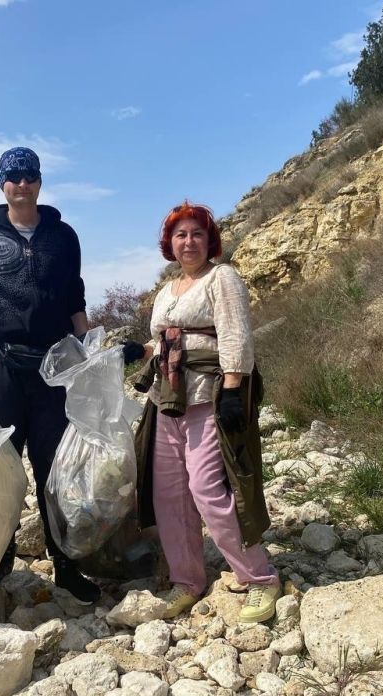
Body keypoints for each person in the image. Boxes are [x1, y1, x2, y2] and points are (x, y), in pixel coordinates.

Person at [0, 146, 101, 605]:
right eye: (13, 177)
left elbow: (75, 294)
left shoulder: (63, 235)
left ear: (39, 182)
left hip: (54, 365)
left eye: (29, 175)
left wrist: (86, 344)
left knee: (55, 467)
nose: (21, 184)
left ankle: (65, 565)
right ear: (2, 184)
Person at [124, 202, 280, 623]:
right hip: (167, 397)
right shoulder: (166, 291)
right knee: (168, 492)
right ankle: (187, 579)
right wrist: (140, 350)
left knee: (209, 488)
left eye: (196, 234)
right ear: (169, 245)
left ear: (209, 240)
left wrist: (232, 388)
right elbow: (166, 343)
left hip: (209, 394)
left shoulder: (221, 278)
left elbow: (235, 334)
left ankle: (259, 577)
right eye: (180, 235)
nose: (188, 241)